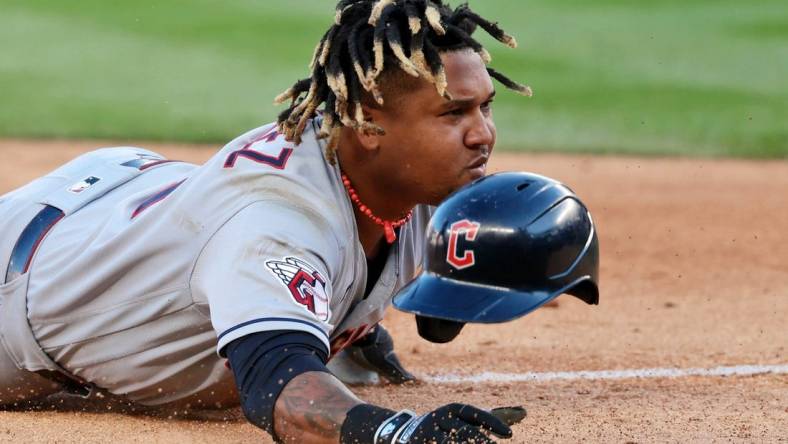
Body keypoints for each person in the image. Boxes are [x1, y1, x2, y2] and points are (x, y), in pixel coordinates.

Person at [0, 0, 538, 442]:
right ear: (369, 125)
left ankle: (315, 312)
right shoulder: (277, 225)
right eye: (453, 114)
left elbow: (444, 303)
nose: (482, 135)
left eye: (484, 108)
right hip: (21, 283)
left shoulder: (417, 176)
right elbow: (279, 390)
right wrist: (394, 432)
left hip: (129, 198)